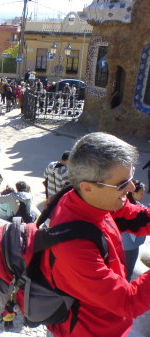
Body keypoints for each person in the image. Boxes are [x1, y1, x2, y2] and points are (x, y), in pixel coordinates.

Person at [39, 132, 150, 337]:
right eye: (122, 184)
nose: (132, 188)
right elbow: (129, 302)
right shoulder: (73, 247)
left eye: (131, 178)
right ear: (88, 187)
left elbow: (136, 218)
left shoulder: (89, 199)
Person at [121, 180, 146, 281]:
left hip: (125, 245)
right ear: (133, 192)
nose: (143, 195)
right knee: (128, 271)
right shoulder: (134, 210)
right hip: (129, 247)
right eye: (141, 193)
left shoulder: (122, 203)